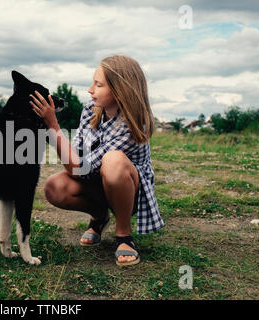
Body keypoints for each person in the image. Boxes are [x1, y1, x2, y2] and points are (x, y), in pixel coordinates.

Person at [29, 55, 164, 267]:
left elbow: (78, 168)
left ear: (121, 90)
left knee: (113, 161)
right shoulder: (90, 110)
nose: (90, 90)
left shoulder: (131, 124)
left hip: (129, 191)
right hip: (95, 177)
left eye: (98, 84)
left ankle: (124, 233)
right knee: (55, 186)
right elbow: (77, 156)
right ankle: (99, 216)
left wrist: (53, 125)